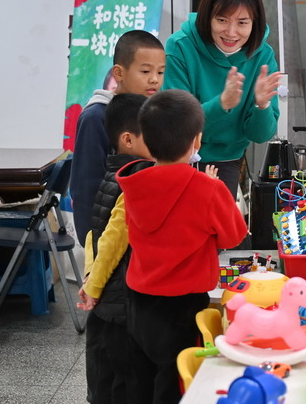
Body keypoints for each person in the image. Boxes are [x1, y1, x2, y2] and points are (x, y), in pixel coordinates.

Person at [116, 89, 248, 404]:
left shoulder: (134, 184)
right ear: (197, 141)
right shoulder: (208, 188)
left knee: (140, 381)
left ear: (147, 140)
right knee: (174, 383)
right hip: (182, 306)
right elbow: (234, 236)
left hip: (137, 301)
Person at [164, 0, 282, 199]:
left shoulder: (263, 56)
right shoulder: (180, 47)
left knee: (217, 220)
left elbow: (261, 136)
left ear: (255, 22)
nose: (231, 32)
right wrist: (221, 104)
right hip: (179, 158)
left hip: (228, 160)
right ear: (207, 16)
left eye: (242, 22)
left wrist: (262, 106)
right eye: (222, 20)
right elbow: (176, 125)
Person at [76, 93, 152, 404]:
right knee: (126, 377)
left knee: (107, 368)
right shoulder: (138, 178)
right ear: (128, 140)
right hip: (122, 300)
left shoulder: (113, 174)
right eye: (153, 133)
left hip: (108, 295)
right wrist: (94, 286)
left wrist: (91, 278)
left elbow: (95, 235)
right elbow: (112, 239)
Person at [70, 30, 165, 248]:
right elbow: (85, 186)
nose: (154, 79)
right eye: (145, 71)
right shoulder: (96, 116)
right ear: (119, 73)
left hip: (143, 230)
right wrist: (92, 242)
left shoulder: (153, 114)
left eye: (160, 72)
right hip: (109, 237)